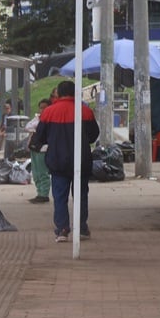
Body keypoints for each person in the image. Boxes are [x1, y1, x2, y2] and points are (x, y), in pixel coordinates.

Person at [30, 80, 100, 242]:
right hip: (81, 161)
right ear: (75, 93)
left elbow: (39, 138)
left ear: (58, 94)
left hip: (57, 161)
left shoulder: (48, 112)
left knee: (60, 196)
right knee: (81, 195)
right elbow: (94, 135)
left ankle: (62, 229)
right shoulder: (85, 112)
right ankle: (81, 228)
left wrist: (52, 142)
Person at [25, 96, 52, 204]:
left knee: (42, 172)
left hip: (44, 149)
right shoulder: (38, 119)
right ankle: (39, 192)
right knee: (36, 172)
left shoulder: (51, 119)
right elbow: (27, 127)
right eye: (40, 108)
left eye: (44, 108)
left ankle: (44, 194)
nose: (42, 110)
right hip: (34, 148)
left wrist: (37, 127)